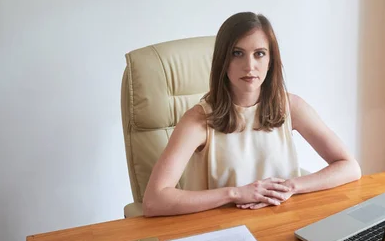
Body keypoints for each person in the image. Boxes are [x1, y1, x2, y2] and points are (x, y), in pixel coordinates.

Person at [143, 12, 361, 216]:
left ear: (270, 61)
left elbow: (349, 167)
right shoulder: (199, 119)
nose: (249, 66)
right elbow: (154, 200)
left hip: (279, 224)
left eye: (259, 54)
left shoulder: (290, 106)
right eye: (237, 54)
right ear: (223, 61)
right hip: (219, 232)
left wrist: (291, 187)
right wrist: (236, 193)